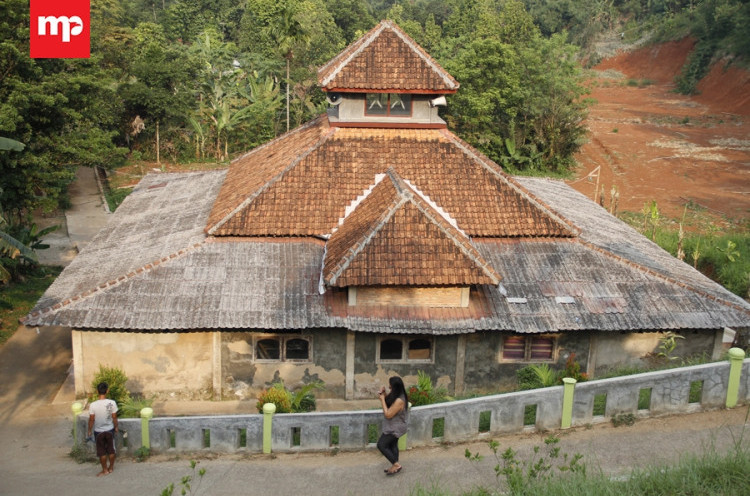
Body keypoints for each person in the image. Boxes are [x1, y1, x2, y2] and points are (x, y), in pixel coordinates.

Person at [376, 376, 409, 476]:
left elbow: (388, 414)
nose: (389, 387)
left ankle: (396, 465)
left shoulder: (400, 400)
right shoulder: (397, 394)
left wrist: (382, 400)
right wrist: (384, 394)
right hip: (393, 425)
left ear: (395, 387)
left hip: (396, 427)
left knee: (381, 445)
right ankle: (395, 465)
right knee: (392, 444)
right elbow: (389, 403)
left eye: (390, 386)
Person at [87, 382, 119, 476]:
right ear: (107, 391)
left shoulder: (93, 405)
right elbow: (114, 417)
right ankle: (111, 467)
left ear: (97, 391)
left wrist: (89, 430)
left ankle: (104, 469)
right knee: (111, 450)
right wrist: (116, 426)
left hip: (98, 431)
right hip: (110, 429)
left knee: (101, 452)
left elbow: (92, 419)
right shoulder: (112, 403)